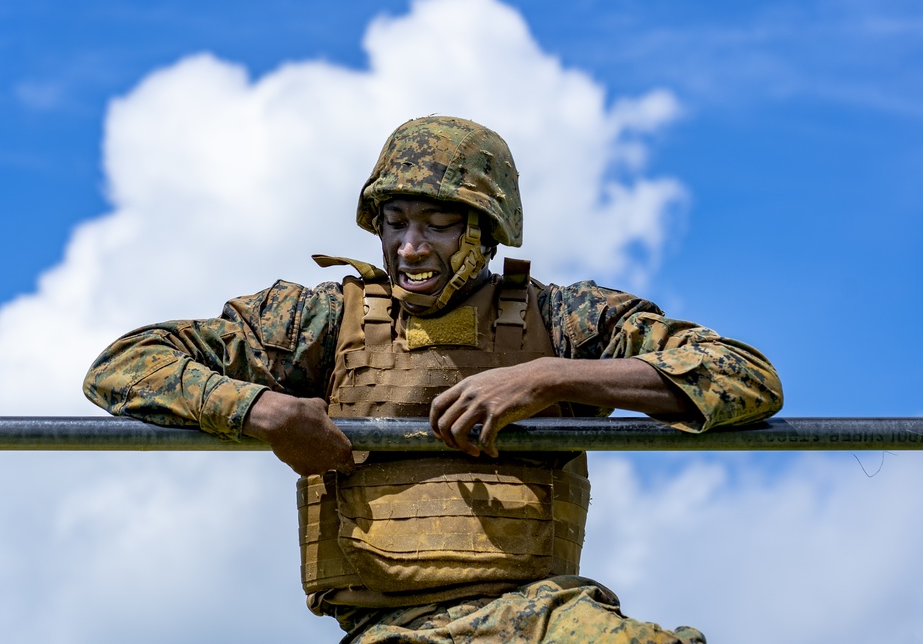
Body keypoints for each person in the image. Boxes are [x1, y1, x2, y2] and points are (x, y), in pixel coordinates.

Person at [84, 116, 783, 643]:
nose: (410, 247)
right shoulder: (321, 318)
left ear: (484, 230)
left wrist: (548, 377)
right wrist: (259, 410)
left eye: (439, 225)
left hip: (540, 617)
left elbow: (746, 377)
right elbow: (122, 364)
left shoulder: (561, 317)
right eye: (395, 223)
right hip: (389, 627)